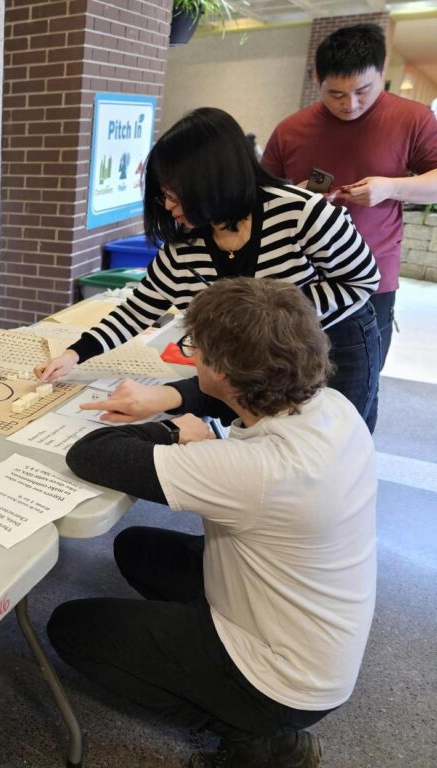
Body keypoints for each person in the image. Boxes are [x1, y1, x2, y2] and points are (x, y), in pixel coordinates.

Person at [48, 277, 377, 768]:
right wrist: (180, 414)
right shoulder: (331, 405)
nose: (191, 357)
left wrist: (172, 428)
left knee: (70, 627)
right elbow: (214, 404)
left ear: (223, 371)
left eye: (193, 349)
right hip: (317, 633)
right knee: (137, 546)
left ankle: (256, 735)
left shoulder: (259, 469)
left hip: (283, 682)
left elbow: (92, 454)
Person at [36, 107, 383, 431]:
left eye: (177, 194)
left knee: (334, 443)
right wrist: (75, 353)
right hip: (260, 359)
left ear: (214, 180)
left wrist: (272, 323)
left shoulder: (302, 213)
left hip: (335, 344)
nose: (169, 206)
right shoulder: (187, 242)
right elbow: (138, 309)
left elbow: (363, 279)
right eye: (163, 195)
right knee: (269, 445)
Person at [262, 23, 437, 370]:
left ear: (383, 69)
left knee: (359, 385)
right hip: (299, 279)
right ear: (317, 78)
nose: (350, 105)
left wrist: (390, 188)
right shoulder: (291, 129)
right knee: (288, 383)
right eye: (336, 94)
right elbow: (259, 195)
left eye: (363, 90)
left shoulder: (413, 118)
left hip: (371, 278)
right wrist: (293, 197)